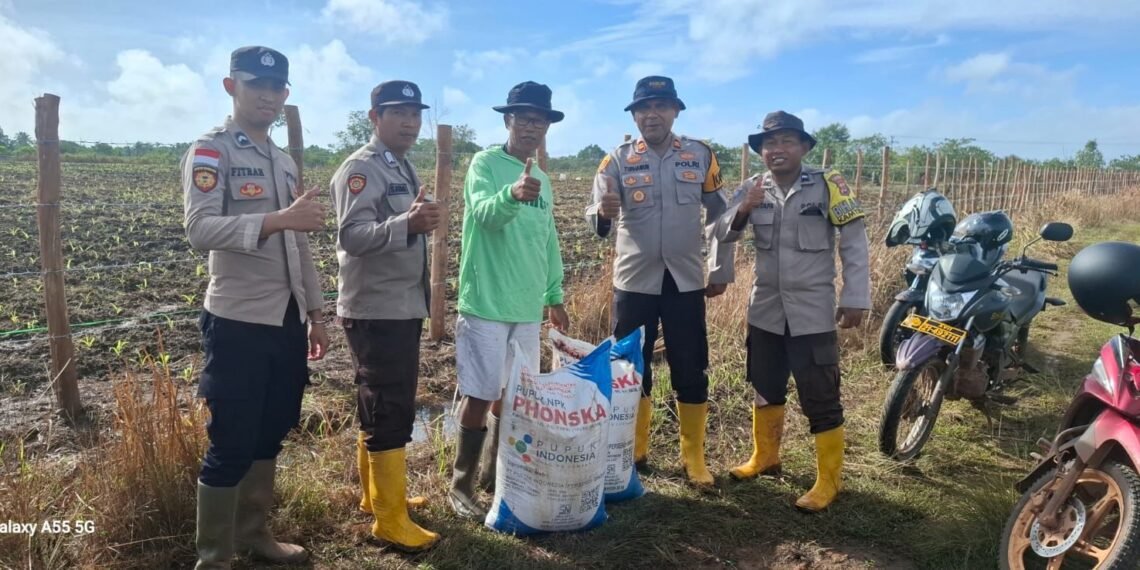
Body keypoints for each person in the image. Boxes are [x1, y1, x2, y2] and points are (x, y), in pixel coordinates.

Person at [182, 46, 329, 569]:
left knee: (274, 425)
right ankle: (214, 557)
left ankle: (254, 535)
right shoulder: (212, 151)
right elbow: (199, 229)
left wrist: (315, 312)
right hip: (238, 319)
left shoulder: (284, 161)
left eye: (277, 87)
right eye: (256, 84)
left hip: (286, 319)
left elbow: (300, 242)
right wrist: (275, 219)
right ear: (231, 86)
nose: (268, 95)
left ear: (286, 94)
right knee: (232, 437)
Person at [585, 75, 735, 486]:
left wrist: (721, 269)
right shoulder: (614, 160)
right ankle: (634, 450)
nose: (651, 114)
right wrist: (602, 211)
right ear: (633, 116)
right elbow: (594, 214)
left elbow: (723, 216)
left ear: (675, 111)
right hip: (634, 281)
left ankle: (694, 459)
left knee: (691, 364)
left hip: (685, 281)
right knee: (631, 368)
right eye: (643, 108)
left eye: (660, 106)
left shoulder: (700, 155)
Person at [720, 110, 870, 512]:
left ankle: (828, 481)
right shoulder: (752, 187)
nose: (777, 149)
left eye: (787, 141)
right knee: (765, 385)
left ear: (804, 147)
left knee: (820, 394)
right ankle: (765, 457)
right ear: (760, 152)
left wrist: (856, 295)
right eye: (769, 143)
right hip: (765, 309)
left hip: (812, 311)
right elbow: (719, 232)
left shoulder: (828, 185)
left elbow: (853, 241)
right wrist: (743, 210)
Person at [329, 80, 442, 550]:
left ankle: (376, 499)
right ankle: (389, 521)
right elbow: (351, 236)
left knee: (379, 401)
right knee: (390, 405)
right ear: (375, 117)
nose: (411, 122)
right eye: (399, 113)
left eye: (416, 113)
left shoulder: (401, 164)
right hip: (376, 309)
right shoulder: (361, 168)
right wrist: (407, 224)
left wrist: (411, 221)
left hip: (399, 304)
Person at [448, 81, 569, 518]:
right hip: (485, 302)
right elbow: (484, 213)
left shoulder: (546, 180)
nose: (533, 127)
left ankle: (495, 476)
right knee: (480, 393)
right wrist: (512, 195)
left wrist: (553, 294)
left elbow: (548, 240)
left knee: (512, 395)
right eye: (524, 118)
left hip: (525, 307)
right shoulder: (484, 164)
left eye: (541, 120)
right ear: (508, 121)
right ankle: (460, 486)